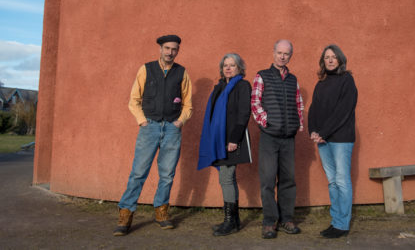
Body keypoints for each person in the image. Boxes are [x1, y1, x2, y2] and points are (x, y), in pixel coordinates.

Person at [113, 35, 193, 236]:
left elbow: (188, 104)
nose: (170, 52)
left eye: (174, 49)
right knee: (138, 173)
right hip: (150, 127)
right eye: (167, 48)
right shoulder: (146, 69)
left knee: (167, 174)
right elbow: (134, 99)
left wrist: (180, 122)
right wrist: (142, 121)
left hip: (172, 129)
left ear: (178, 51)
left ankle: (161, 212)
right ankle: (126, 214)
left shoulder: (182, 73)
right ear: (160, 48)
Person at [251, 39, 304, 239]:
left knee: (288, 180)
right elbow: (255, 103)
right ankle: (269, 221)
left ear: (290, 56)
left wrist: (297, 124)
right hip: (269, 137)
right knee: (267, 180)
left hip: (288, 138)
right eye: (280, 53)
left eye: (286, 54)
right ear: (273, 53)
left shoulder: (293, 79)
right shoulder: (262, 76)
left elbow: (299, 104)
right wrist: (267, 123)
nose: (283, 56)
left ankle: (287, 219)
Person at [197, 53, 252, 236]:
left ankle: (229, 221)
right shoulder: (219, 87)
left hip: (231, 141)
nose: (228, 68)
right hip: (218, 140)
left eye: (232, 65)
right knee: (228, 179)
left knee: (226, 179)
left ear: (239, 68)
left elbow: (244, 114)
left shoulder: (243, 85)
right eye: (225, 65)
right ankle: (233, 220)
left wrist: (234, 140)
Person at [308, 44, 358, 239]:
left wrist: (324, 132)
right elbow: (314, 109)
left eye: (333, 57)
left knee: (342, 180)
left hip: (340, 139)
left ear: (340, 60)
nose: (329, 60)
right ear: (323, 61)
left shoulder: (347, 81)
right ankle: (335, 221)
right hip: (323, 139)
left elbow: (343, 112)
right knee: (332, 182)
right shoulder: (322, 82)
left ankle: (342, 224)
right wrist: (313, 131)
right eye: (326, 57)